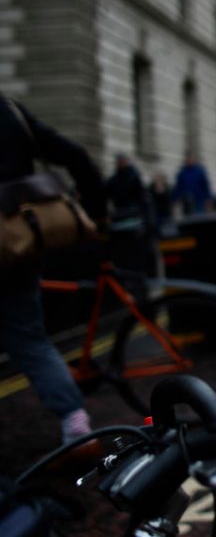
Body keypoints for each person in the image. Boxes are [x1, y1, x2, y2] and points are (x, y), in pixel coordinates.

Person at [0, 94, 107, 444]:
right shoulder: (9, 110)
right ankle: (74, 422)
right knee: (30, 340)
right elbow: (75, 156)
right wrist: (98, 214)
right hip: (19, 243)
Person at [105, 153, 155, 274]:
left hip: (133, 217)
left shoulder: (134, 177)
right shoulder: (115, 179)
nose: (120, 163)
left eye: (122, 161)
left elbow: (142, 199)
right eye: (118, 161)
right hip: (121, 217)